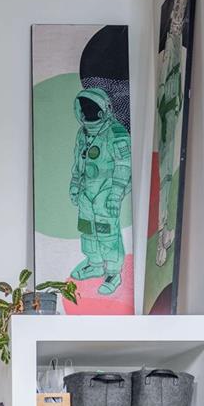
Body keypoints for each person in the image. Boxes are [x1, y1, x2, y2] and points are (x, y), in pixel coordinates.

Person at [68, 87, 131, 295]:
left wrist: (115, 194)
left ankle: (113, 272)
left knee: (107, 232)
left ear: (104, 110)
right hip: (87, 191)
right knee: (87, 228)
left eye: (92, 109)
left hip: (107, 191)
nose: (88, 113)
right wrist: (75, 185)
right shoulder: (83, 134)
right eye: (84, 109)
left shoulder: (116, 133)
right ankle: (95, 264)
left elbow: (124, 164)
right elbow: (79, 161)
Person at [154, 0, 187, 266]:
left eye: (180, 11)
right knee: (164, 174)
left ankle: (164, 231)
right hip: (167, 114)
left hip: (170, 114)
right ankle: (164, 231)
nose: (177, 15)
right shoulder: (169, 57)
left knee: (166, 174)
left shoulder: (174, 57)